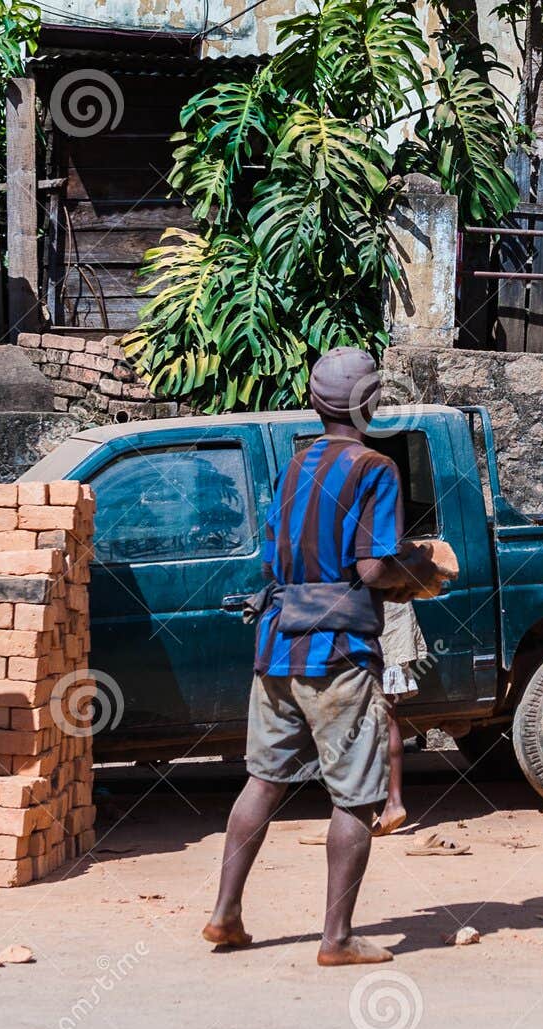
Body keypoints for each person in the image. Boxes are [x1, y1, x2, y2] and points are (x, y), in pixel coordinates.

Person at [202, 346, 441, 966]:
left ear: (314, 400)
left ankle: (226, 913)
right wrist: (418, 564)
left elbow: (274, 559)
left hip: (276, 647)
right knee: (356, 798)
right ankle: (336, 940)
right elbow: (370, 566)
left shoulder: (296, 464)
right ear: (370, 403)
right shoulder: (374, 468)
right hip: (339, 654)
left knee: (262, 781)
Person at [372, 599, 427, 836]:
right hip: (390, 615)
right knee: (386, 714)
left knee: (372, 715)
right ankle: (390, 803)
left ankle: (359, 808)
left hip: (375, 618)